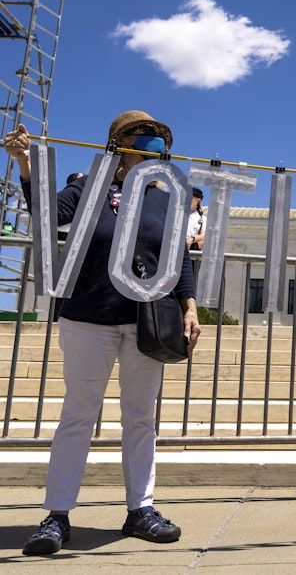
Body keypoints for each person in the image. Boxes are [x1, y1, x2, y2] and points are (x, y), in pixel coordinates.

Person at [4, 110, 201, 555]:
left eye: (158, 137)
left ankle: (141, 511)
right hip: (88, 314)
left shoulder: (167, 196)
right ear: (119, 143)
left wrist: (189, 304)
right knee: (78, 414)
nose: (152, 142)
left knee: (141, 419)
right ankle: (56, 515)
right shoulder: (89, 187)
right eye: (142, 135)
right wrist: (27, 166)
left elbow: (178, 257)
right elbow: (46, 216)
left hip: (146, 321)